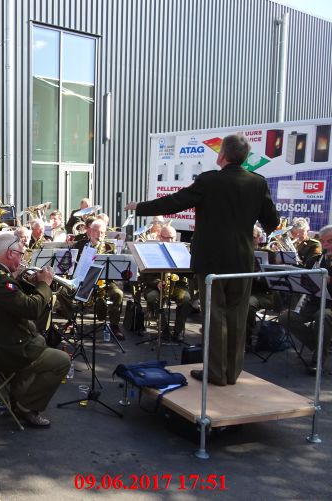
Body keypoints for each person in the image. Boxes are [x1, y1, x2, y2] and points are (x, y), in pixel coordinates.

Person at [125, 133, 279, 385]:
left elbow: (175, 202)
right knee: (237, 318)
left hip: (211, 261)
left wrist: (139, 207)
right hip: (242, 261)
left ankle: (216, 373)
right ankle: (232, 373)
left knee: (216, 317)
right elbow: (271, 221)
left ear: (222, 156)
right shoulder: (258, 182)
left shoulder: (209, 180)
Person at [0, 232, 70, 428]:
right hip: (1, 349)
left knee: (38, 340)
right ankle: (25, 405)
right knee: (61, 361)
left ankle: (18, 395)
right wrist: (44, 284)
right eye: (21, 254)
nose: (23, 258)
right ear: (10, 253)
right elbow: (32, 309)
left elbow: (15, 299)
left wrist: (28, 283)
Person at [277, 225, 332, 375]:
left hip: (328, 307)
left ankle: (319, 359)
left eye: (330, 242)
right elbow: (303, 276)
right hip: (314, 302)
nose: (326, 246)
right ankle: (320, 345)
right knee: (285, 317)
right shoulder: (316, 259)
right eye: (324, 242)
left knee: (323, 315)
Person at [139, 225, 192, 341]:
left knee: (186, 300)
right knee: (153, 298)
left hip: (177, 285)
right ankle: (164, 329)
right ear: (160, 237)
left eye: (172, 238)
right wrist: (157, 282)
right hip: (154, 285)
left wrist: (189, 264)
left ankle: (177, 332)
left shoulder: (182, 249)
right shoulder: (151, 250)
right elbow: (144, 275)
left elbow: (190, 274)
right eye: (167, 238)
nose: (170, 241)